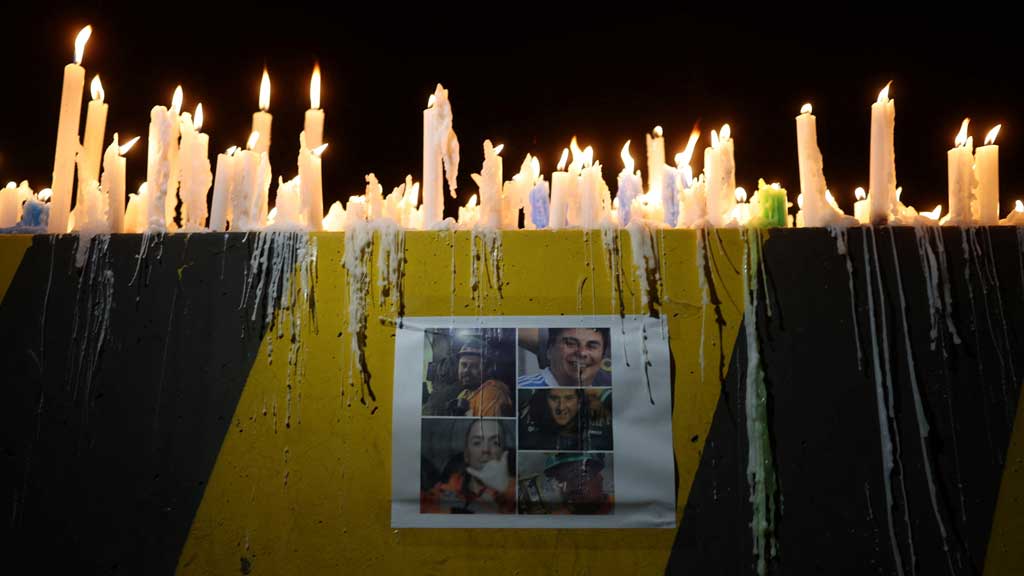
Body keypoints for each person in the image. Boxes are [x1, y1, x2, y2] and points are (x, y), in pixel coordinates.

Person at [421, 419, 515, 514]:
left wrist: (505, 487)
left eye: (495, 443)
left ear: (503, 453)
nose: (486, 449)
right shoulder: (448, 487)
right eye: (477, 442)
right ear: (466, 455)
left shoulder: (517, 489)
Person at [423, 339, 513, 416]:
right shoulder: (465, 393)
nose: (466, 370)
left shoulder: (492, 394)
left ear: (487, 370)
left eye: (474, 366)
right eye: (463, 365)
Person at [518, 388, 613, 451]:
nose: (561, 407)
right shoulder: (526, 421)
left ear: (579, 402)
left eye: (569, 398)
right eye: (554, 398)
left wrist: (599, 392)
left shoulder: (601, 422)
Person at [518, 328, 612, 388]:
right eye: (570, 343)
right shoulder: (520, 388)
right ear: (549, 350)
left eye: (592, 346)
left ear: (603, 356)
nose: (582, 353)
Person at [542, 453, 613, 515]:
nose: (567, 488)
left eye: (577, 476)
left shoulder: (618, 510)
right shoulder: (554, 520)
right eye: (561, 480)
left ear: (599, 477)